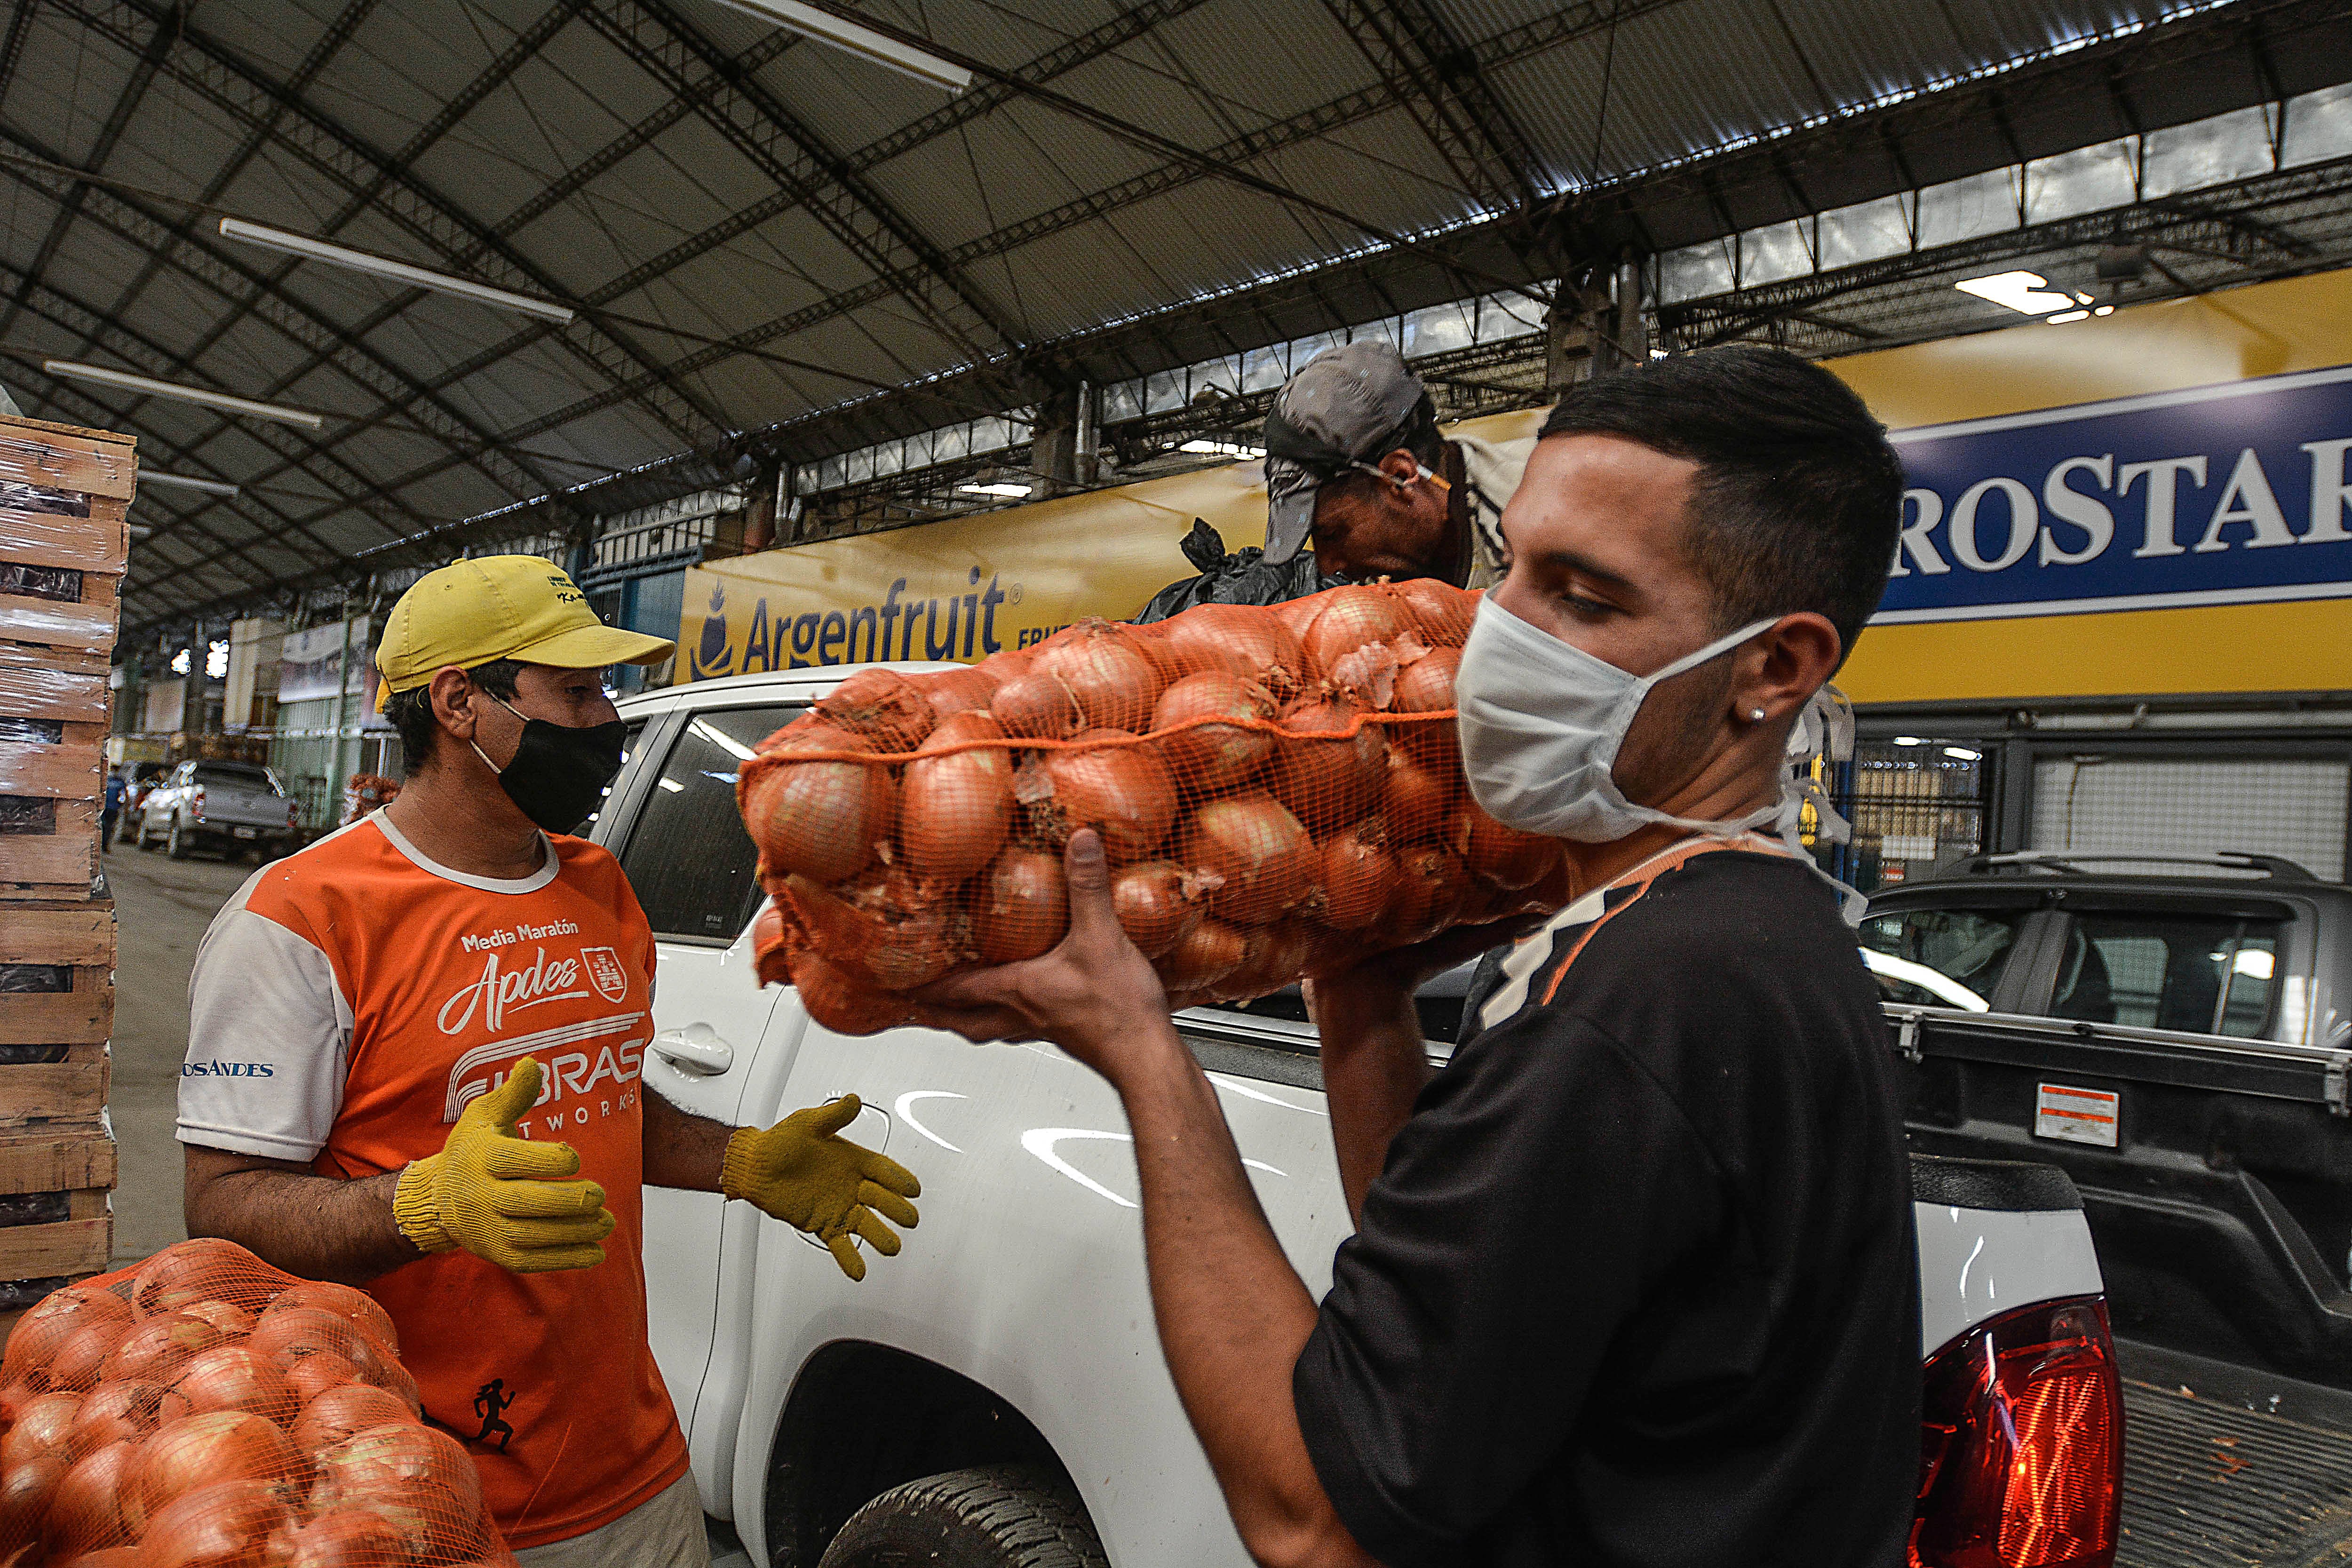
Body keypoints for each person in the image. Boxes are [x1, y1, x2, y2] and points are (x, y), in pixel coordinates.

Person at [919, 346, 1919, 1566]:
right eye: (1522, 575)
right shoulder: (1753, 933)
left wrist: (1141, 1050)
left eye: (1583, 596)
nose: (1501, 634)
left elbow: (1318, 1515)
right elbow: (1468, 1325)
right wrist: (1358, 984)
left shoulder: (1636, 1010)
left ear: (1774, 670)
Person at [177, 556, 923, 1567]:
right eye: (575, 690)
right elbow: (220, 1203)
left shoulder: (598, 884)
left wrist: (742, 1159)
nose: (604, 716)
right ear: (460, 703)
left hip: (637, 1462)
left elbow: (605, 1091)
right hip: (413, 1489)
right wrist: (422, 1205)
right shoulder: (302, 918)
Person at [1136, 338, 1533, 620]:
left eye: (1332, 533)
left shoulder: (1543, 525)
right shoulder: (1379, 585)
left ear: (1398, 477)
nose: (1327, 565)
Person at [100, 768, 125, 853]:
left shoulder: (120, 783)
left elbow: (123, 797)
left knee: (108, 827)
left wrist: (121, 805)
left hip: (112, 809)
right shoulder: (105, 780)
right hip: (104, 808)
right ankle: (101, 845)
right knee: (103, 826)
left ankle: (104, 845)